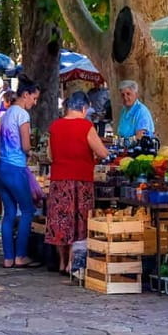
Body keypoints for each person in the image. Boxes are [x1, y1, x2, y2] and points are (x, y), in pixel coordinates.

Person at [45, 92, 109, 274]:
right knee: (78, 221)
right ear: (83, 108)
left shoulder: (55, 126)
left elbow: (50, 155)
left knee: (61, 221)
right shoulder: (86, 126)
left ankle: (61, 262)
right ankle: (72, 263)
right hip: (81, 180)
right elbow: (103, 152)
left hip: (59, 180)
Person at [0, 74, 41, 269]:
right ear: (25, 94)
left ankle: (8, 257)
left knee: (9, 213)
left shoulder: (7, 113)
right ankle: (21, 255)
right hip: (16, 168)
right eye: (34, 98)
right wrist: (32, 152)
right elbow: (25, 144)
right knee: (28, 210)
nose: (35, 102)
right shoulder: (23, 114)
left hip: (3, 167)